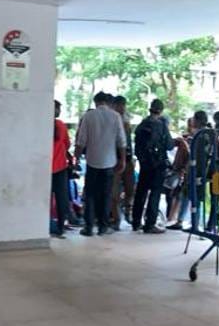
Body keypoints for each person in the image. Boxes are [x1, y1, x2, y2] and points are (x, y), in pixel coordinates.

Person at [74, 92, 126, 236]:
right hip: (109, 163)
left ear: (96, 102)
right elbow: (121, 141)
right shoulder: (115, 116)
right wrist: (122, 160)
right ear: (108, 102)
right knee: (106, 195)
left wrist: (76, 158)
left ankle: (89, 227)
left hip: (92, 162)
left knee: (90, 194)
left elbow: (81, 140)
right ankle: (103, 227)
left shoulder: (89, 116)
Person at [132, 98, 173, 233]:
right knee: (155, 194)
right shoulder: (162, 125)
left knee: (141, 193)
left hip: (145, 165)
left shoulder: (142, 124)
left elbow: (137, 145)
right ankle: (150, 224)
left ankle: (136, 222)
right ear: (161, 111)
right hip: (158, 164)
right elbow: (169, 145)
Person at [109, 95, 135, 230]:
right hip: (115, 160)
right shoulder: (112, 120)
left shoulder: (127, 120)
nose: (122, 108)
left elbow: (128, 142)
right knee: (114, 192)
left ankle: (128, 211)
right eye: (120, 105)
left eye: (124, 105)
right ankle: (116, 219)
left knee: (130, 189)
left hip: (128, 159)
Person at [51, 100, 71, 238]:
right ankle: (60, 227)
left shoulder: (39, 124)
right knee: (61, 198)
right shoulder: (61, 125)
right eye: (58, 108)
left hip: (43, 168)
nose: (60, 111)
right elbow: (67, 144)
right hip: (59, 167)